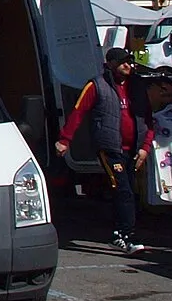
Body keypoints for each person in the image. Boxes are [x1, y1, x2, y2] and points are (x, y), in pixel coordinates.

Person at [56, 47, 156, 255]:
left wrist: (146, 147)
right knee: (123, 190)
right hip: (110, 148)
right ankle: (125, 235)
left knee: (129, 191)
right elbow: (78, 112)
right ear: (110, 64)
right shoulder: (97, 85)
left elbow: (148, 118)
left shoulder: (137, 86)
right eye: (122, 62)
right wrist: (65, 140)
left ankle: (121, 231)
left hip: (133, 148)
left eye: (129, 61)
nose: (127, 66)